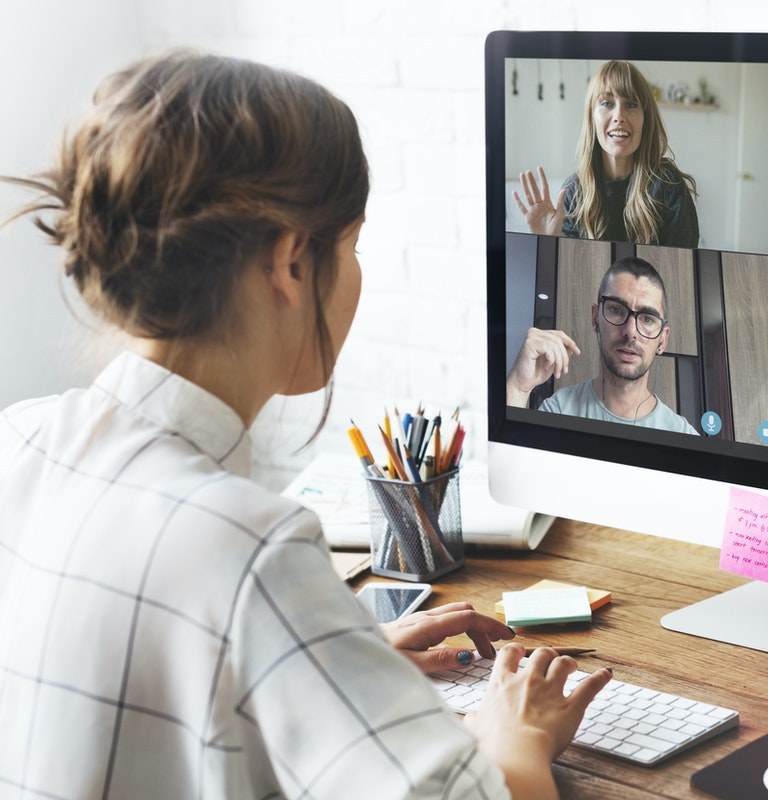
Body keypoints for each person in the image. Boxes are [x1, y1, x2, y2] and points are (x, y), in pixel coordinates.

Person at [0, 51, 610, 799]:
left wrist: (331, 656)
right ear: (290, 260)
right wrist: (515, 733)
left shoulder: (17, 441)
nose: (356, 274)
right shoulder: (250, 549)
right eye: (351, 246)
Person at [512, 60, 699, 247]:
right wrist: (548, 244)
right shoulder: (573, 192)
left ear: (645, 119)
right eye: (606, 103)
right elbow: (568, 274)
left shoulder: (668, 185)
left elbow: (682, 271)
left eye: (631, 104)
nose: (619, 116)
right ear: (592, 118)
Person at [506, 256, 698, 434]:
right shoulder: (558, 410)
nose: (630, 331)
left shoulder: (683, 435)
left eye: (647, 319)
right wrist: (517, 388)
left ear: (662, 340)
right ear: (596, 317)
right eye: (616, 310)